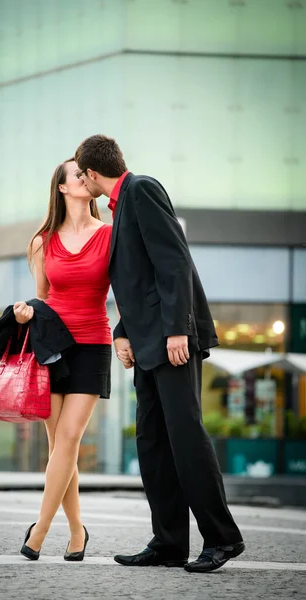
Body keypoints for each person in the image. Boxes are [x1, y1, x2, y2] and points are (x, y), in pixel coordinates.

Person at [74, 135, 245, 573]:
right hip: (148, 345)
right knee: (152, 443)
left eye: (80, 174)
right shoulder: (120, 207)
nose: (80, 181)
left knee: (186, 436)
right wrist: (123, 331)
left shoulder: (142, 189)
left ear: (93, 174)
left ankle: (222, 539)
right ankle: (169, 542)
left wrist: (176, 331)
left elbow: (174, 264)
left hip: (173, 342)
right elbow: (137, 281)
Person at [14, 158, 112, 561]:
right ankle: (77, 532)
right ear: (63, 188)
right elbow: (42, 298)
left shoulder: (109, 235)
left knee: (69, 437)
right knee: (59, 447)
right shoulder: (42, 240)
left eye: (88, 174)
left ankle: (39, 531)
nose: (86, 178)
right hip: (52, 345)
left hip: (93, 343)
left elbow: (121, 289)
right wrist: (26, 312)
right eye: (79, 174)